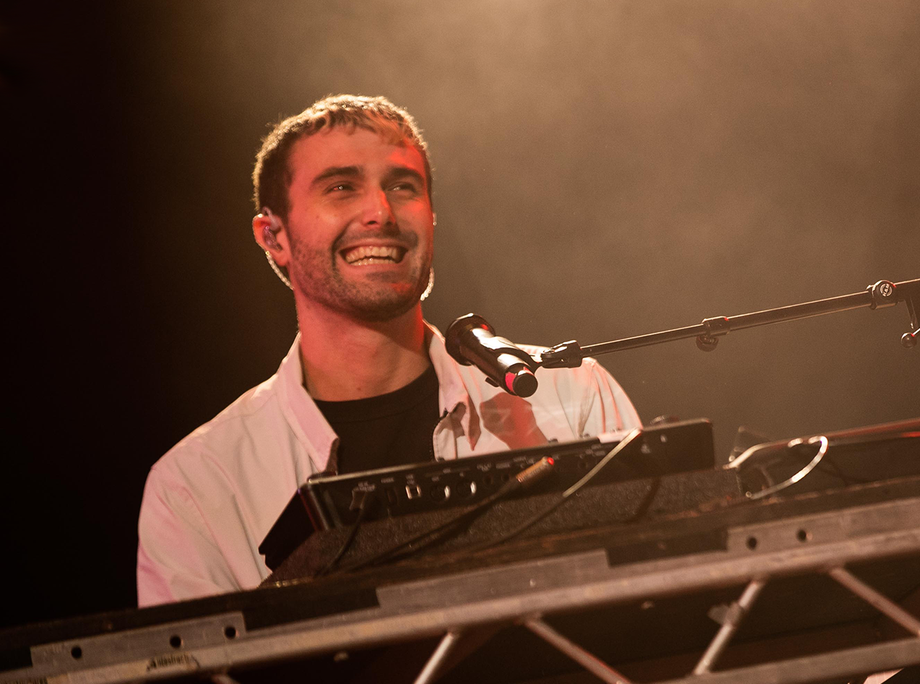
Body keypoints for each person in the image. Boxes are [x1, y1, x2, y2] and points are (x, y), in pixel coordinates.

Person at [137, 95, 641, 606]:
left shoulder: (572, 397)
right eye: (341, 187)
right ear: (274, 236)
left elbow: (653, 608)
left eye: (402, 186)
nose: (380, 213)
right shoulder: (196, 487)